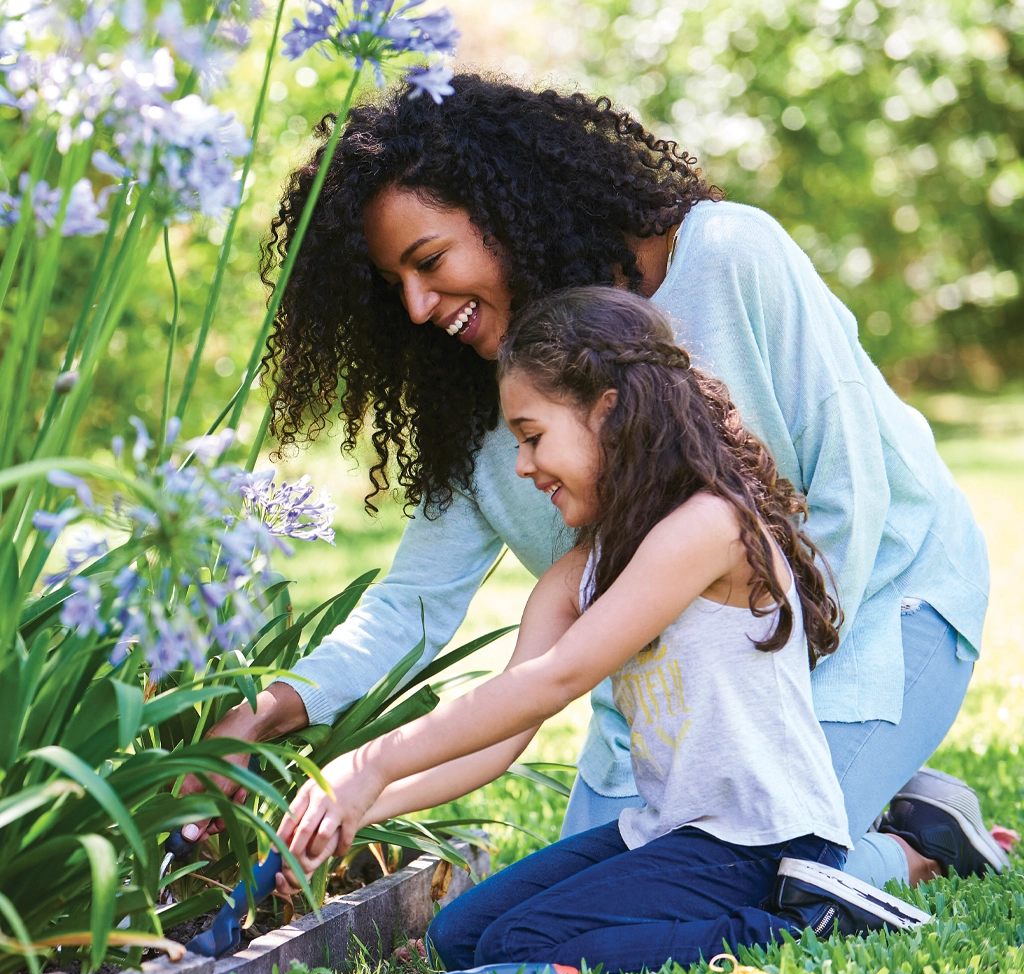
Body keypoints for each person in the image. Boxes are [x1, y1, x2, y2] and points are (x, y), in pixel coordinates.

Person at [181, 74, 1002, 892]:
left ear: (507, 209)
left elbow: (852, 499)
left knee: (759, 877)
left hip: (879, 613)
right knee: (588, 894)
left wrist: (770, 725)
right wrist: (267, 712)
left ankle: (914, 850)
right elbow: (411, 607)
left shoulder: (724, 256)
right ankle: (887, 804)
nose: (420, 305)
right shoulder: (485, 407)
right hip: (675, 696)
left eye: (430, 261)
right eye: (396, 285)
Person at [273, 289, 932, 974]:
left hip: (764, 842)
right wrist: (358, 808)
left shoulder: (711, 527)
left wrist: (370, 762)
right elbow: (502, 732)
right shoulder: (579, 572)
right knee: (460, 937)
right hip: (671, 833)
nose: (523, 465)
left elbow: (557, 680)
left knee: (516, 947)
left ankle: (812, 923)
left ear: (608, 413)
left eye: (532, 436)